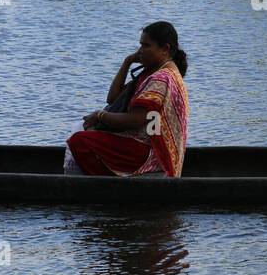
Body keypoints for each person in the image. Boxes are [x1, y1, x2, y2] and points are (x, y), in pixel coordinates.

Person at [64, 21, 189, 177]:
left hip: (151, 153)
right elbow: (113, 98)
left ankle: (106, 186)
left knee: (79, 141)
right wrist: (127, 62)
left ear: (165, 49)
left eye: (146, 46)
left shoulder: (162, 78)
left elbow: (135, 120)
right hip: (148, 147)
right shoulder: (154, 72)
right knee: (85, 131)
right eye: (140, 45)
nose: (140, 51)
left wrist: (99, 115)